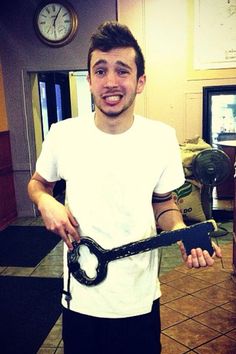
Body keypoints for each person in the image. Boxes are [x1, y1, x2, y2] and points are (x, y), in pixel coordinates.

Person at [28, 21, 221, 354]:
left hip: (139, 300)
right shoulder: (63, 134)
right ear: (89, 79)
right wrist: (47, 202)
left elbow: (163, 203)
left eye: (122, 71)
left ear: (140, 81)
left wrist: (179, 231)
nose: (111, 82)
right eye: (100, 71)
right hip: (81, 298)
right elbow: (37, 184)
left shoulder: (160, 137)